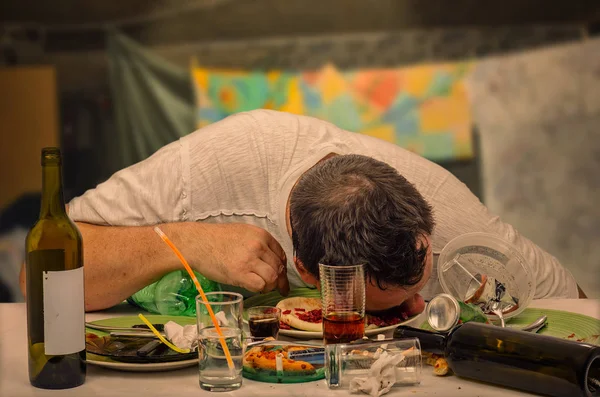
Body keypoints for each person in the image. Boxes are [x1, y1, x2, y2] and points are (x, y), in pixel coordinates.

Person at [19, 110, 583, 316]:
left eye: (407, 297)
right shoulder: (218, 164)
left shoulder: (466, 240)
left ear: (425, 241)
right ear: (305, 271)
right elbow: (38, 279)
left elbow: (578, 311)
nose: (413, 306)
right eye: (380, 311)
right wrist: (185, 241)